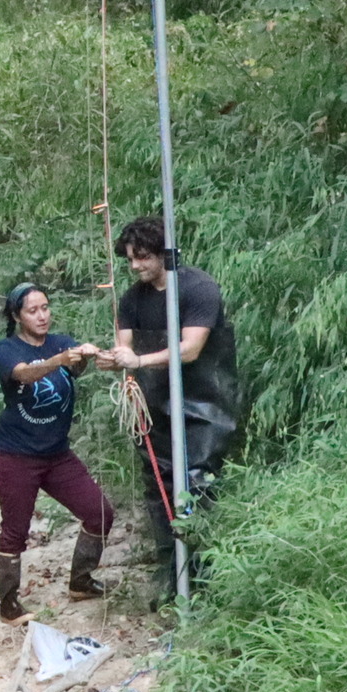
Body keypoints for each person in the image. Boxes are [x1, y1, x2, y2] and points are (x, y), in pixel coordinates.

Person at [107, 213, 240, 551]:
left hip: (205, 402)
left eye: (142, 257)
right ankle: (172, 570)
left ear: (163, 253)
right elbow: (124, 346)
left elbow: (191, 349)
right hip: (154, 406)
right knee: (159, 486)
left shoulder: (199, 288)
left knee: (198, 482)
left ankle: (203, 571)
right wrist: (112, 358)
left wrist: (138, 360)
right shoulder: (132, 299)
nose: (135, 266)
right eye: (130, 258)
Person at [0, 283, 116, 620]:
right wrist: (58, 360)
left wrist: (88, 355)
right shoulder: (7, 349)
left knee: (99, 512)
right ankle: (8, 602)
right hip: (16, 454)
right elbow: (25, 375)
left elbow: (75, 368)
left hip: (57, 455)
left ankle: (81, 581)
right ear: (18, 316)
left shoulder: (61, 341)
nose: (42, 315)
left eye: (45, 307)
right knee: (15, 530)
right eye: (33, 310)